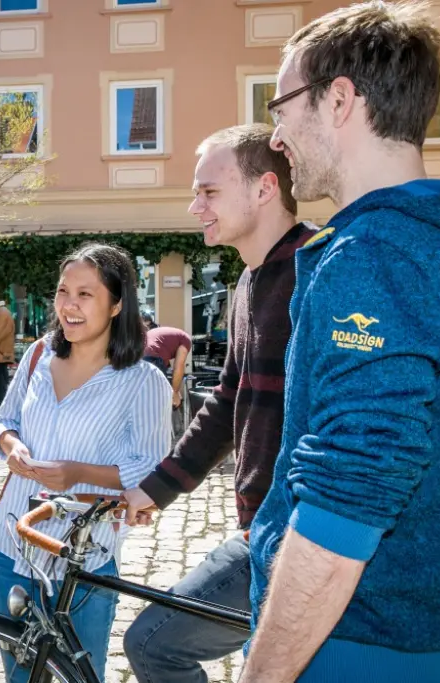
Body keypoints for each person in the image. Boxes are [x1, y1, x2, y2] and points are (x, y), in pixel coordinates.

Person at [242, 4, 440, 683]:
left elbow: (345, 501)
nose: (276, 136)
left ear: (340, 100)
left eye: (281, 106)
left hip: (345, 655)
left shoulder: (376, 258)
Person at [123, 124, 314, 682]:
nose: (194, 205)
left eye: (209, 191)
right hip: (263, 531)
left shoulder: (318, 271)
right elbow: (228, 401)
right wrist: (155, 491)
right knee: (156, 643)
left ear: (264, 188)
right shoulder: (250, 284)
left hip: (306, 539)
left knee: (156, 644)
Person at [0, 242, 171, 683]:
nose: (69, 305)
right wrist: (11, 446)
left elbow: (152, 469)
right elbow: (4, 420)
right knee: (20, 674)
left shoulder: (142, 381)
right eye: (62, 291)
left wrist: (78, 474)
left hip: (84, 555)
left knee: (81, 675)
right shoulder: (38, 356)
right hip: (12, 543)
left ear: (116, 304)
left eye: (85, 294)